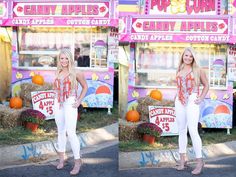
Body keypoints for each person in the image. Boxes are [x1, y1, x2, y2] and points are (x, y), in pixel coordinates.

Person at [175, 47, 209, 175]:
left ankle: (200, 161)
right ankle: (183, 159)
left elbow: (206, 85)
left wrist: (201, 97)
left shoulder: (198, 70)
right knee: (181, 130)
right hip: (179, 100)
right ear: (182, 56)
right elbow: (179, 84)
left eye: (190, 56)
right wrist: (176, 96)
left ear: (193, 57)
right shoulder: (179, 68)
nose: (188, 58)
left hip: (192, 100)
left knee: (193, 130)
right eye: (186, 55)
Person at [54, 48, 88, 175]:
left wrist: (79, 101)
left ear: (70, 59)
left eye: (66, 58)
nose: (64, 61)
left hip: (70, 103)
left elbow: (85, 87)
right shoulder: (57, 71)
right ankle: (62, 158)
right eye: (61, 58)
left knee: (71, 132)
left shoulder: (76, 72)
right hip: (57, 103)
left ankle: (77, 161)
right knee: (61, 131)